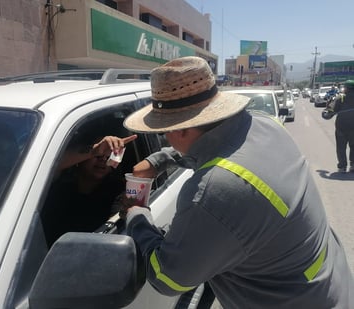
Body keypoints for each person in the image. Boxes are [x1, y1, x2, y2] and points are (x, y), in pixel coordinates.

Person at [120, 56, 353, 308]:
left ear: (181, 129)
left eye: (164, 132)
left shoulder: (212, 192)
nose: (165, 138)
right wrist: (158, 160)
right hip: (328, 282)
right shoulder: (263, 124)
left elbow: (168, 279)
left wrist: (137, 215)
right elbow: (218, 146)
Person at [41, 134, 136, 246]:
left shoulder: (117, 192)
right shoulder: (58, 187)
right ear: (80, 159)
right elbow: (47, 165)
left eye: (109, 156)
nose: (103, 161)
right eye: (98, 156)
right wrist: (93, 150)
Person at [331, 80, 354, 172]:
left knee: (341, 147)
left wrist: (326, 113)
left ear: (346, 88)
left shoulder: (340, 98)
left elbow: (332, 111)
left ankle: (342, 166)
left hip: (341, 127)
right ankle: (353, 165)